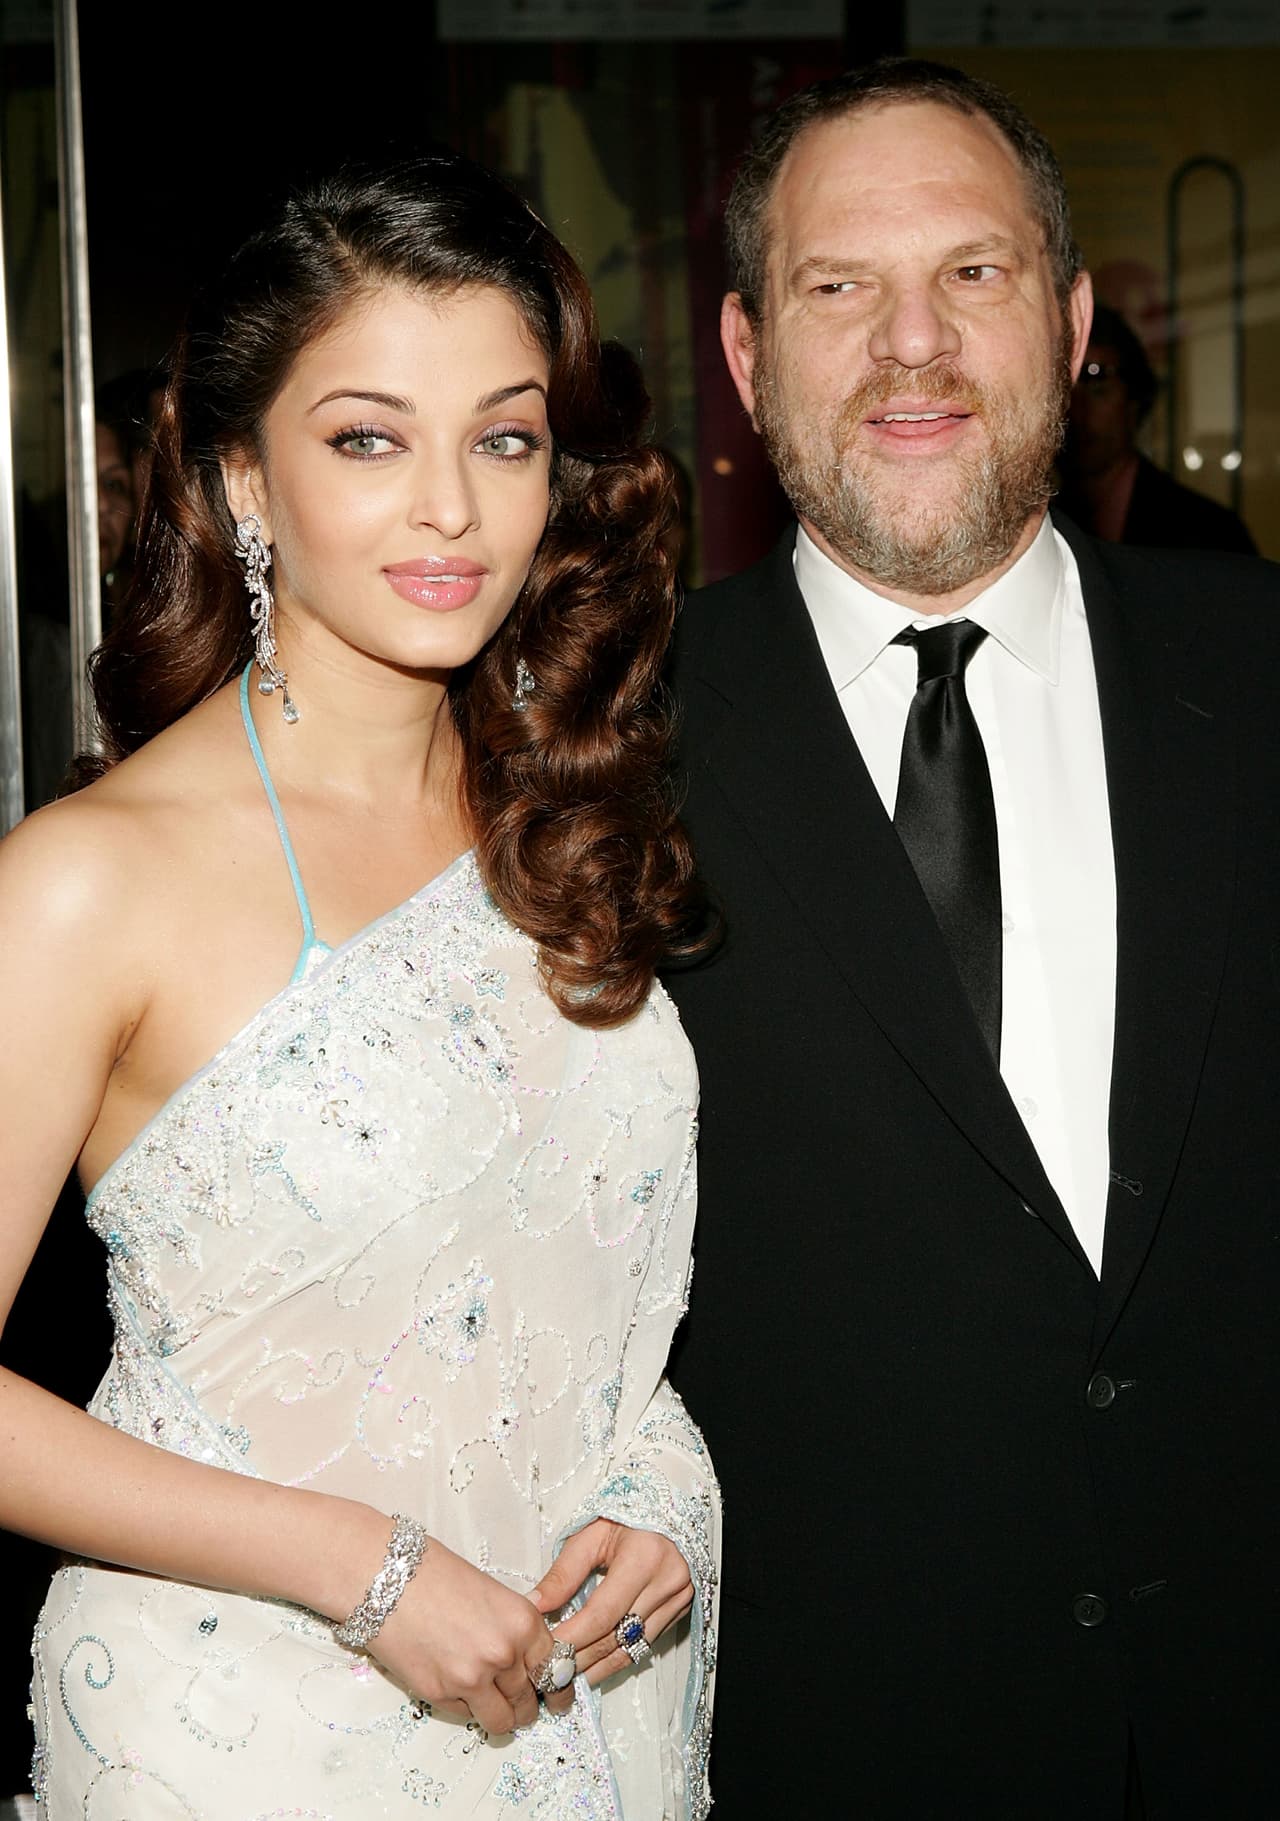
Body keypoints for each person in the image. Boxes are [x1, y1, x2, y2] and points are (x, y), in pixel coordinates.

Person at [0, 155, 719, 1817]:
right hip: (241, 1732)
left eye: (504, 439)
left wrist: (661, 1499)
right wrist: (362, 1568)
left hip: (589, 1717)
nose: (451, 509)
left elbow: (581, 1305)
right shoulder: (92, 879)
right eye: (369, 440)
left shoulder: (567, 814)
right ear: (245, 479)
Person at [665, 57, 1279, 1818]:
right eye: (837, 287)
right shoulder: (598, 747)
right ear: (746, 353)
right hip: (830, 1743)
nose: (912, 343)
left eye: (974, 274)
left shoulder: (1262, 671)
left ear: (1073, 325)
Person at [1057, 302, 1256, 553]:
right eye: (1062, 388)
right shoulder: (1045, 524)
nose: (1076, 409)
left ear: (1134, 400)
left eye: (1098, 385)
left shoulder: (1208, 533)